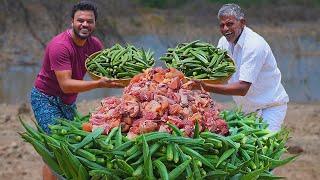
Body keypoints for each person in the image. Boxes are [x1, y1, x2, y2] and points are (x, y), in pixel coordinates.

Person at [30, 1, 121, 179]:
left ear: (95, 24)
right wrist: (99, 84)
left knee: (72, 144)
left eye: (90, 21)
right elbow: (66, 84)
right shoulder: (60, 46)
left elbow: (104, 70)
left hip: (68, 101)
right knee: (56, 148)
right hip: (45, 98)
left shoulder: (95, 45)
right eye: (80, 20)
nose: (85, 24)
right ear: (72, 21)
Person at [196, 3, 289, 132]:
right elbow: (219, 76)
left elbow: (242, 88)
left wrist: (205, 86)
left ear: (242, 23)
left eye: (230, 24)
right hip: (246, 109)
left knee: (264, 147)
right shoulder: (223, 43)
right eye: (222, 25)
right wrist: (196, 86)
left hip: (269, 107)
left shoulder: (254, 45)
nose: (225, 29)